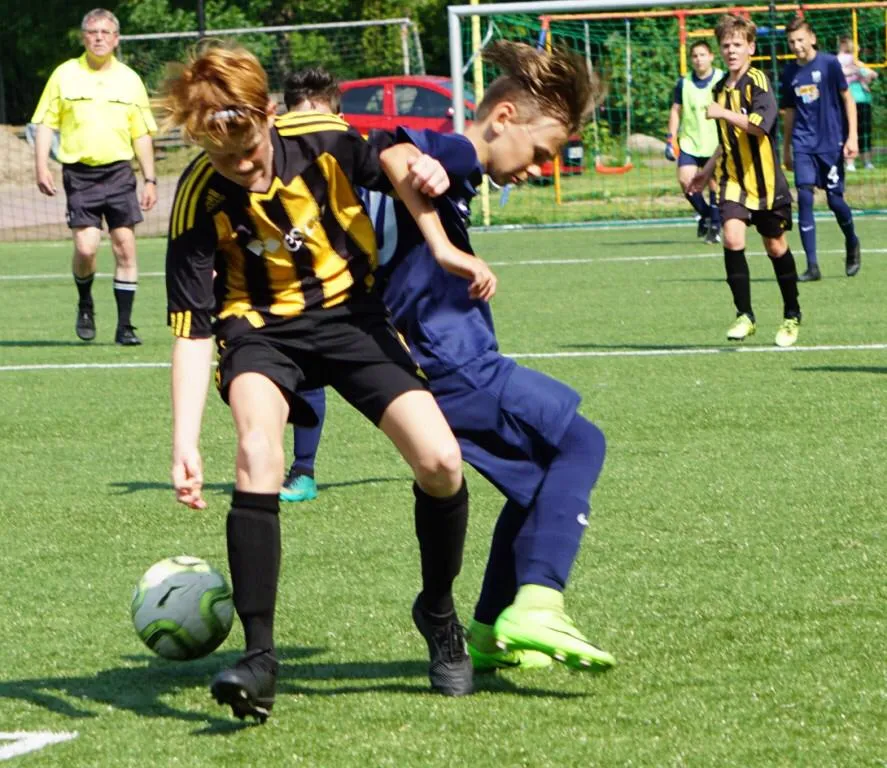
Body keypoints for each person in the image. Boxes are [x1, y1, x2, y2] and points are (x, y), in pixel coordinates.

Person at [160, 45, 498, 720]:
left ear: (269, 114)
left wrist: (441, 245)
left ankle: (437, 611)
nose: (242, 167)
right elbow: (193, 329)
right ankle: (259, 659)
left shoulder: (322, 136)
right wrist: (184, 441)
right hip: (259, 330)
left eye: (248, 149)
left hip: (351, 316)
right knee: (257, 451)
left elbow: (397, 159)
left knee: (441, 462)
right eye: (223, 158)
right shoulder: (198, 194)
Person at [311, 44, 615, 672]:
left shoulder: (462, 168)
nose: (538, 169)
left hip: (445, 360)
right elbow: (396, 149)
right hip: (456, 363)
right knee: (582, 443)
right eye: (540, 153)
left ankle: (487, 633)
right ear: (503, 118)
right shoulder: (460, 151)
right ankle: (539, 603)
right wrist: (440, 224)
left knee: (539, 485)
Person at [276, 67, 451, 504]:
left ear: (337, 117)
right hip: (328, 294)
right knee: (303, 366)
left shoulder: (357, 150)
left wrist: (429, 168)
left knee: (427, 362)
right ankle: (302, 471)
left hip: (391, 282)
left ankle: (449, 444)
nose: (309, 130)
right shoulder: (277, 164)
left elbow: (409, 166)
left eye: (318, 118)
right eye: (299, 119)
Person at [31, 8, 157, 345]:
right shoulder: (64, 75)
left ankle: (125, 327)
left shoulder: (130, 79)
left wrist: (150, 179)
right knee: (86, 249)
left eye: (105, 32)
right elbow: (45, 123)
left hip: (119, 173)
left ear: (116, 39)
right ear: (83, 37)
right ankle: (85, 303)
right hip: (80, 174)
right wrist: (41, 166)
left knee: (125, 247)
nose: (98, 37)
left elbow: (142, 133)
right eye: (92, 32)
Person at [690, 15, 802, 348]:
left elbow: (760, 126)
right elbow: (728, 140)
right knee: (732, 238)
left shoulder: (758, 81)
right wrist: (708, 169)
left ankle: (792, 314)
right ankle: (745, 315)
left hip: (765, 182)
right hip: (732, 180)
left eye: (738, 44)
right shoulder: (719, 89)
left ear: (751, 47)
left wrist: (723, 113)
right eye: (726, 45)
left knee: (775, 246)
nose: (731, 50)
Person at [780, 18, 860, 282]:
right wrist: (786, 149)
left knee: (835, 201)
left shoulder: (829, 64)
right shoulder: (789, 73)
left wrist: (852, 137)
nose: (796, 46)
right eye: (792, 42)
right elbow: (789, 113)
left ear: (812, 39)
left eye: (800, 40)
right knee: (804, 197)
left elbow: (847, 98)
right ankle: (812, 265)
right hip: (803, 144)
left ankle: (852, 240)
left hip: (830, 143)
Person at [665, 40, 724, 244]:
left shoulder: (721, 79)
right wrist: (671, 138)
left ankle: (715, 226)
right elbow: (676, 110)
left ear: (711, 57)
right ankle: (706, 214)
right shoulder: (684, 83)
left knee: (714, 184)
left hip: (715, 142)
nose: (699, 60)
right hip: (690, 141)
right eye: (695, 56)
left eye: (702, 55)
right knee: (686, 182)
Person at [837, 36, 877, 172]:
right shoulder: (839, 60)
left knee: (864, 132)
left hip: (862, 100)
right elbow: (839, 73)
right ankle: (850, 162)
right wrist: (853, 72)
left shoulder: (856, 62)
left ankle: (866, 162)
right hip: (846, 101)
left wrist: (863, 77)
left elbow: (872, 74)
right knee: (848, 131)